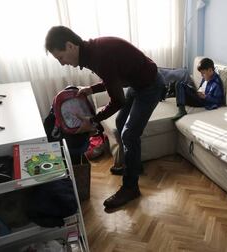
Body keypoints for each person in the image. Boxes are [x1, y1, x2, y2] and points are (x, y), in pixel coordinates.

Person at [45, 26, 165, 209]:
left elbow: (118, 100)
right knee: (120, 122)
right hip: (137, 83)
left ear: (70, 46)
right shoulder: (92, 52)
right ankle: (133, 166)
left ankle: (130, 187)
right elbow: (113, 78)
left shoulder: (98, 56)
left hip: (150, 87)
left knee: (130, 134)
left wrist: (92, 121)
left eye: (60, 57)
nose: (62, 63)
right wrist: (91, 89)